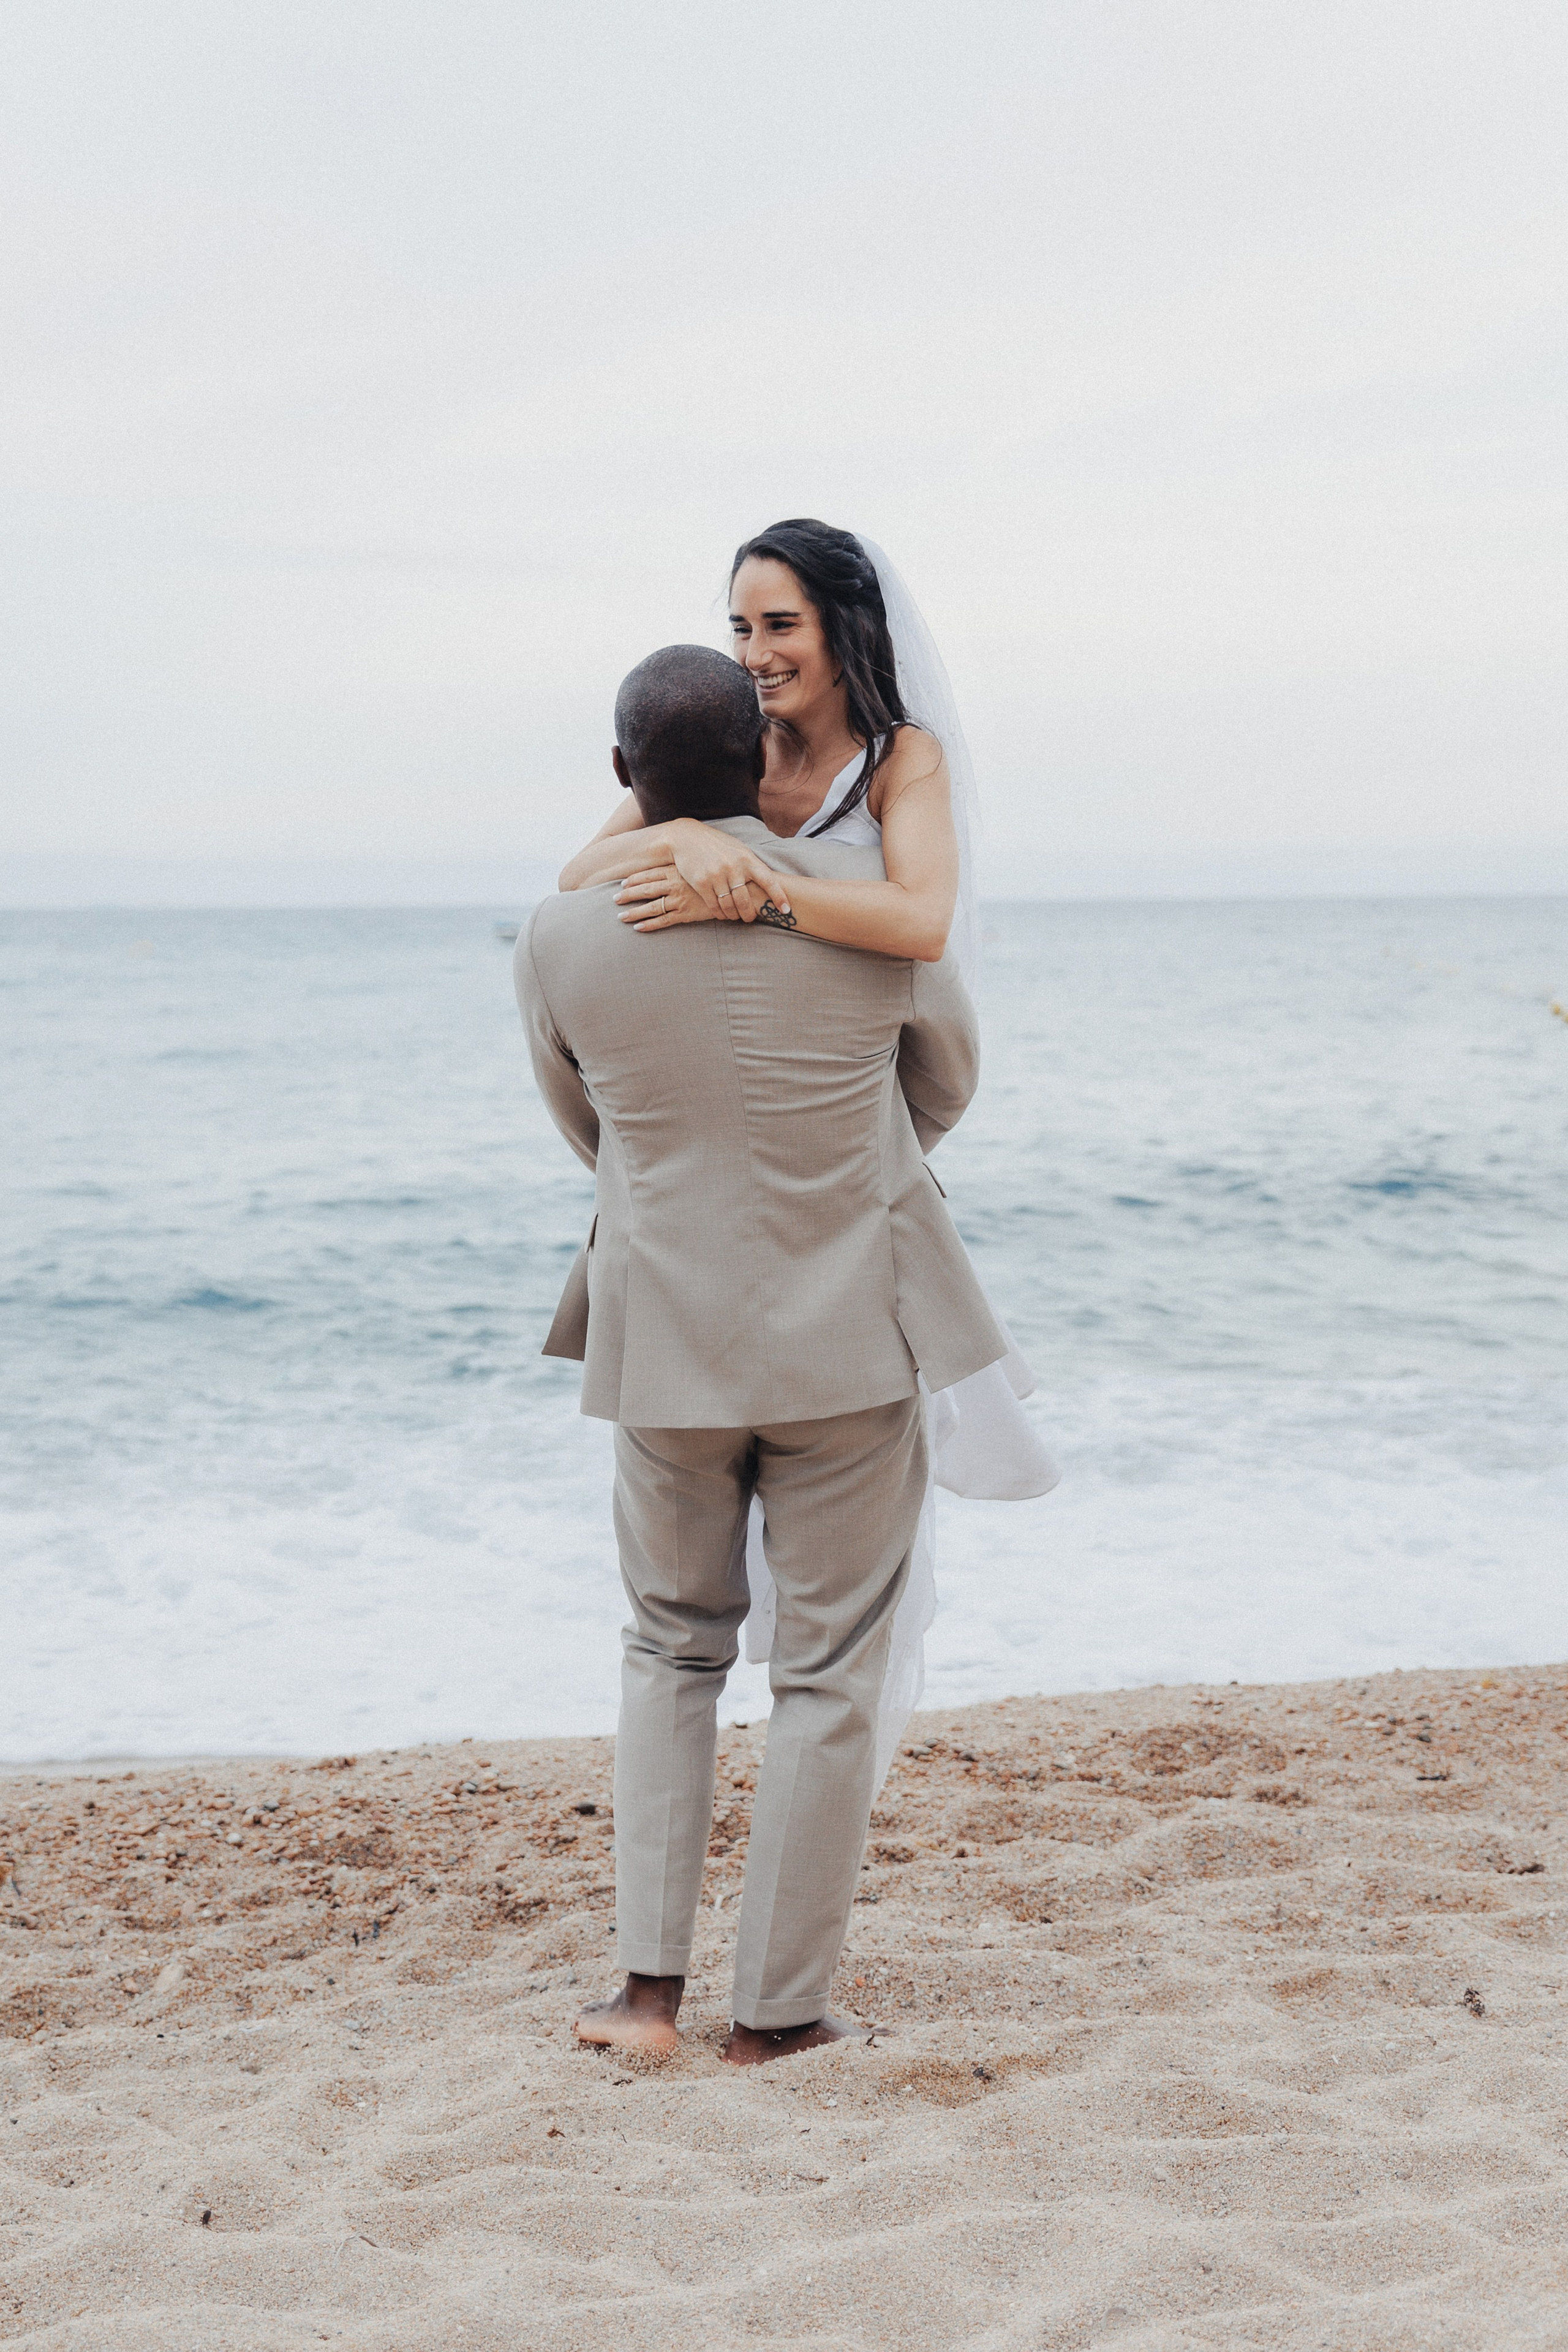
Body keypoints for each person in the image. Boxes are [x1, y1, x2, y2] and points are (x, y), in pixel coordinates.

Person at [516, 643, 1008, 2062]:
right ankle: (779, 2018)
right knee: (829, 1671)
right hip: (849, 1332)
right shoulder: (860, 920)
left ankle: (647, 1998)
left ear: (624, 781)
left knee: (668, 1649)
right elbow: (944, 1085)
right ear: (763, 767)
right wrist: (829, 1168)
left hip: (661, 1332)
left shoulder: (560, 933)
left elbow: (583, 1122)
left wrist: (678, 1189)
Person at [560, 522, 1057, 1781]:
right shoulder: (735, 754)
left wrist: (762, 887)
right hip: (718, 1204)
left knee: (865, 1555)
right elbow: (577, 875)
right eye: (739, 626)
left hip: (846, 1160)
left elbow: (916, 922)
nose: (756, 652)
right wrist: (688, 838)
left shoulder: (900, 763)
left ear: (842, 627)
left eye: (778, 624)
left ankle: (837, 1770)